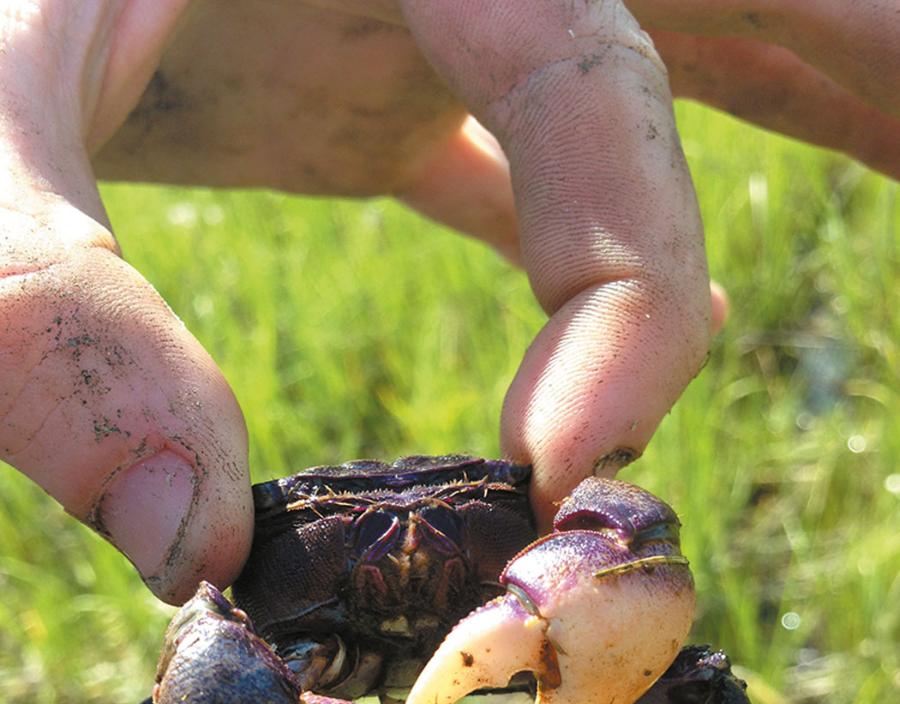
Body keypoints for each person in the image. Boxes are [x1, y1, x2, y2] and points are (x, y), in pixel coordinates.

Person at [1, 1, 897, 605]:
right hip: (282, 626)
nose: (409, 547)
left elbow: (641, 560)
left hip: (533, 610)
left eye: (455, 512)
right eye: (366, 534)